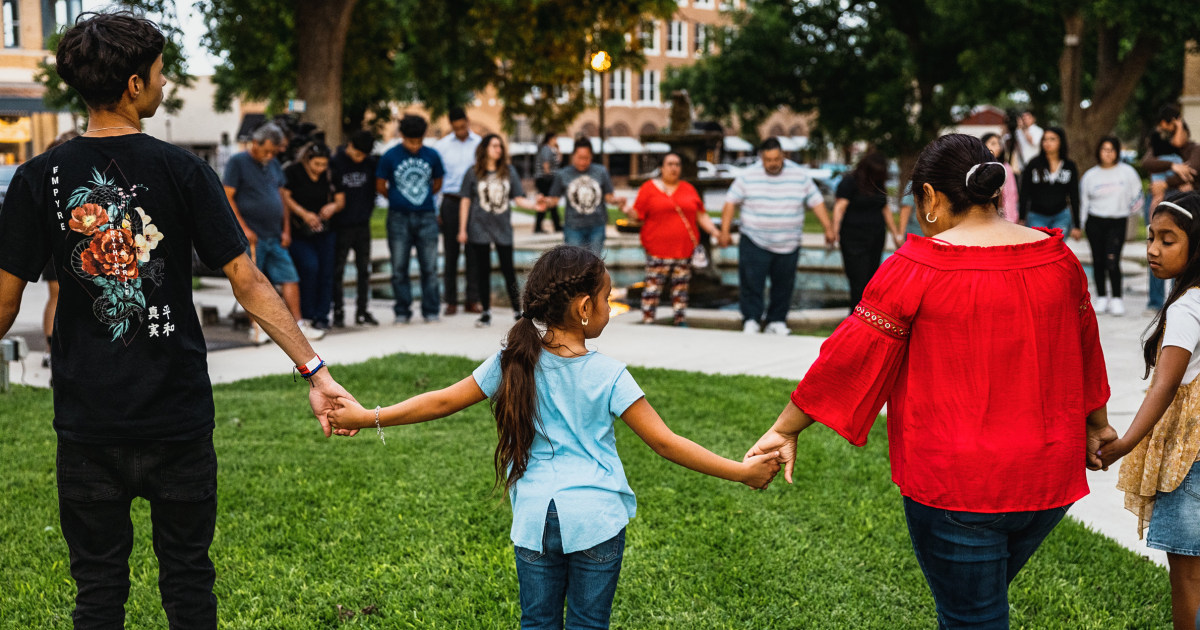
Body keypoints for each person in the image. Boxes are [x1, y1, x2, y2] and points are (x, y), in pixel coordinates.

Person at [0, 12, 355, 628]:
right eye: (161, 74)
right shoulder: (185, 171)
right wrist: (314, 370)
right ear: (134, 85)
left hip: (87, 421)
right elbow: (249, 282)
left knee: (98, 592)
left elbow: (3, 304)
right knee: (189, 583)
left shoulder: (38, 178)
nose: (166, 85)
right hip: (177, 418)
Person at [744, 134, 1114, 628]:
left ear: (930, 197)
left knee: (971, 616)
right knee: (975, 607)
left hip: (957, 485)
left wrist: (787, 428)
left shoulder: (917, 266)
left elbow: (851, 357)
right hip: (1047, 476)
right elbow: (1086, 347)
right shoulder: (1058, 259)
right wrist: (1097, 423)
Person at [327, 245, 782, 629]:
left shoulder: (513, 360)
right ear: (585, 308)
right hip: (597, 519)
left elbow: (442, 401)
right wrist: (741, 472)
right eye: (607, 299)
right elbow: (665, 442)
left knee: (538, 624)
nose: (610, 307)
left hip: (534, 518)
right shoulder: (609, 374)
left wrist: (368, 416)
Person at [1099, 192, 1200, 630]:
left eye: (1169, 240)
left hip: (1188, 460)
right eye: (1152, 237)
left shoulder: (1186, 307)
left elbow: (1164, 386)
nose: (1153, 249)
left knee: (1188, 577)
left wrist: (1122, 444)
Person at [718, 137, 833, 335]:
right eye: (768, 160)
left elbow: (816, 201)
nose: (773, 164)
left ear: (783, 156)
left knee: (784, 283)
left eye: (776, 159)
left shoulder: (799, 175)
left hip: (788, 241)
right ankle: (751, 319)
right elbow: (730, 202)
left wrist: (828, 228)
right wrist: (725, 232)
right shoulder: (747, 176)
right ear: (761, 158)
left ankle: (777, 320)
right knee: (752, 282)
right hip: (754, 239)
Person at [225, 122, 324, 341]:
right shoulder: (237, 162)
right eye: (266, 150)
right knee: (251, 282)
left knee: (290, 277)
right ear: (255, 143)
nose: (269, 155)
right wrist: (244, 228)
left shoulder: (273, 164)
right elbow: (228, 197)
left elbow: (281, 197)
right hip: (252, 236)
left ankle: (299, 325)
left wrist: (286, 230)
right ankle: (257, 329)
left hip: (275, 235)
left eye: (273, 151)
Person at [625, 152, 719, 326]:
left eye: (677, 164)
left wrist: (716, 232)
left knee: (681, 289)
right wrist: (626, 209)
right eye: (670, 164)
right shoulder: (649, 188)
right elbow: (638, 214)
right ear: (661, 168)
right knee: (652, 288)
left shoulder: (688, 189)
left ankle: (679, 319)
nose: (674, 168)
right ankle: (648, 319)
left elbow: (701, 215)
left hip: (683, 250)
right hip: (657, 250)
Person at [456, 134, 538, 328]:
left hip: (502, 228)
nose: (498, 149)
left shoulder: (509, 171)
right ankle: (486, 312)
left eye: (500, 146)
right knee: (482, 271)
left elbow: (519, 199)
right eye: (494, 146)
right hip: (479, 227)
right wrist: (462, 229)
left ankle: (518, 312)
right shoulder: (473, 172)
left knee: (508, 269)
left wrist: (536, 206)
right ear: (484, 148)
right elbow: (465, 201)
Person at [376, 114, 444, 325]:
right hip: (398, 218)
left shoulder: (432, 155)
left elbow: (438, 182)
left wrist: (420, 200)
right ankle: (402, 311)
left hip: (426, 217)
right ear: (402, 136)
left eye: (419, 141)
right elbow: (380, 185)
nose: (415, 146)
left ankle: (431, 310)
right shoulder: (389, 156)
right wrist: (397, 199)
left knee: (430, 267)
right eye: (410, 141)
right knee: (399, 268)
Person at [1080, 136, 1143, 316]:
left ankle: (1117, 298)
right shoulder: (1090, 175)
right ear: (1098, 152)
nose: (1108, 153)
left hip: (1117, 221)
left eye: (1111, 150)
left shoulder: (1127, 172)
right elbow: (1084, 201)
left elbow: (1137, 196)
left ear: (1117, 152)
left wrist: (1128, 212)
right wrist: (1083, 224)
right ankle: (1101, 298)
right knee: (1098, 261)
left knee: (1112, 260)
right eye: (1104, 149)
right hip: (1095, 221)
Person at [832, 151, 901, 312]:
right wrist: (834, 230)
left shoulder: (877, 184)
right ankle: (856, 315)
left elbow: (885, 209)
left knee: (872, 278)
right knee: (858, 279)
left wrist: (896, 233)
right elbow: (839, 207)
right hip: (853, 238)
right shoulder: (849, 182)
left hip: (875, 236)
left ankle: (866, 314)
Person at [282, 142, 338, 331]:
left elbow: (340, 198)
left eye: (324, 164)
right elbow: (284, 196)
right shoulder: (293, 171)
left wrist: (333, 207)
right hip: (300, 231)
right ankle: (306, 314)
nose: (321, 169)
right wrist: (303, 213)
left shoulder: (330, 173)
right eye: (316, 164)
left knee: (326, 271)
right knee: (309, 267)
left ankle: (322, 315)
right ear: (307, 160)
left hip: (325, 230)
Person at [433, 106, 482, 315]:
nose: (460, 131)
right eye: (456, 128)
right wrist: (437, 209)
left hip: (473, 203)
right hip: (451, 202)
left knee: (474, 252)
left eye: (463, 126)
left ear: (467, 122)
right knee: (451, 253)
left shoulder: (479, 144)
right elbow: (437, 180)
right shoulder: (442, 146)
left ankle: (472, 299)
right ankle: (451, 301)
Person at [539, 138, 625, 255]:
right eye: (580, 157)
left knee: (594, 264)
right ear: (573, 155)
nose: (583, 162)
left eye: (586, 158)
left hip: (597, 227)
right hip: (573, 228)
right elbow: (554, 199)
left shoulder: (601, 171)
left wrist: (617, 201)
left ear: (591, 157)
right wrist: (545, 201)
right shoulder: (563, 174)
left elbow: (608, 197)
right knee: (574, 265)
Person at [329, 130, 379, 327]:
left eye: (363, 156)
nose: (359, 159)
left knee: (363, 270)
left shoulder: (370, 163)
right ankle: (338, 310)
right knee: (338, 270)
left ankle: (362, 309)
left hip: (362, 223)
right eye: (357, 154)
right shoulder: (336, 162)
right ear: (349, 145)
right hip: (341, 224)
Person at [1019, 126, 1082, 240]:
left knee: (1056, 250)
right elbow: (1024, 192)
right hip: (1036, 215)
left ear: (1061, 141)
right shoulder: (1033, 164)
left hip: (1061, 215)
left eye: (1052, 139)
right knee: (1040, 251)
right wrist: (1021, 217)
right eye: (1045, 139)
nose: (1048, 142)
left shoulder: (1069, 166)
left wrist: (1077, 225)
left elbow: (1074, 195)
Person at [980, 132, 1019, 222]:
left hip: (1003, 215)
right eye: (993, 143)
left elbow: (1011, 194)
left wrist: (1010, 217)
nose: (998, 147)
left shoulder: (1006, 167)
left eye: (999, 143)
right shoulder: (977, 167)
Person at [533, 131, 562, 233]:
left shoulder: (552, 149)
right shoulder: (546, 149)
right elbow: (546, 164)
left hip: (548, 178)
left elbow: (559, 160)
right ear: (550, 139)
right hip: (545, 179)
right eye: (555, 139)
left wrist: (558, 149)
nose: (556, 141)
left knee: (550, 202)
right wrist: (549, 177)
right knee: (546, 201)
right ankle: (542, 226)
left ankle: (555, 225)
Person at [1012, 110, 1044, 174]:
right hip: (1022, 166)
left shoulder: (1038, 130)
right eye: (1023, 118)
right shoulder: (1018, 132)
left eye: (1027, 118)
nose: (1025, 120)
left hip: (1035, 164)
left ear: (1033, 119)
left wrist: (1024, 129)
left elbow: (1033, 142)